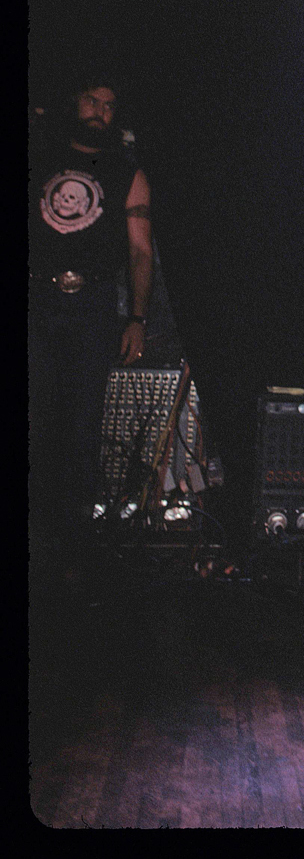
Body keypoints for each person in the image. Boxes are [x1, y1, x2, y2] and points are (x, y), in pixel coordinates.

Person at [29, 70, 153, 559]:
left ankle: (73, 540)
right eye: (91, 100)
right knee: (34, 416)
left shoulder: (127, 172)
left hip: (92, 307)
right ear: (72, 104)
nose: (100, 110)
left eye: (109, 104)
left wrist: (137, 318)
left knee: (82, 422)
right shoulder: (39, 158)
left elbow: (140, 252)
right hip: (36, 300)